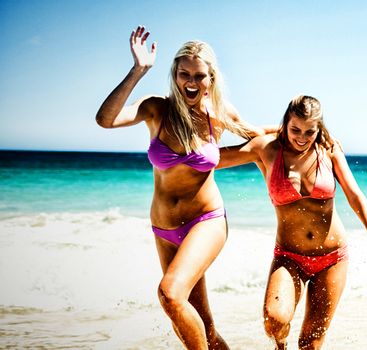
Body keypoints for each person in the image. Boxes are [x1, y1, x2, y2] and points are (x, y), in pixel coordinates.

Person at [94, 26, 265, 349]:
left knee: (170, 295)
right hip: (164, 228)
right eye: (184, 73)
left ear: (211, 79)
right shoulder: (156, 108)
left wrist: (313, 134)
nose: (190, 82)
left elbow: (257, 135)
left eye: (199, 76)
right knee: (203, 330)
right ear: (174, 73)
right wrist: (138, 71)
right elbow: (106, 119)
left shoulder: (219, 115)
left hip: (206, 221)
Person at [217, 95, 367, 349]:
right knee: (274, 322)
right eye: (295, 129)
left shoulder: (329, 150)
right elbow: (214, 160)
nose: (302, 137)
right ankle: (280, 345)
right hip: (289, 256)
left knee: (310, 344)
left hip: (332, 258)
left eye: (310, 131)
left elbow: (355, 195)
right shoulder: (267, 149)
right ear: (285, 125)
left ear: (319, 128)